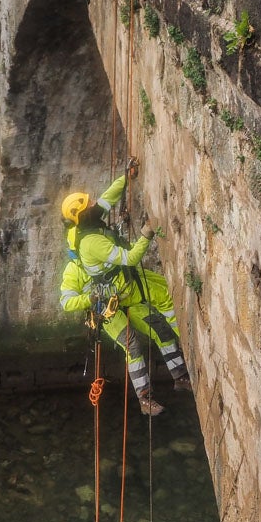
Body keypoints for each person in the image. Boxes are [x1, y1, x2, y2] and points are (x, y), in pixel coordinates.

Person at [59, 159, 190, 417]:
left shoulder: (90, 224)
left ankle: (181, 377)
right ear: (83, 216)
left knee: (160, 328)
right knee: (132, 344)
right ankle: (145, 399)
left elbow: (108, 198)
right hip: (106, 311)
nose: (94, 202)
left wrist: (125, 178)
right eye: (89, 203)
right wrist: (146, 235)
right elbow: (66, 301)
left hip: (123, 297)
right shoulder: (85, 253)